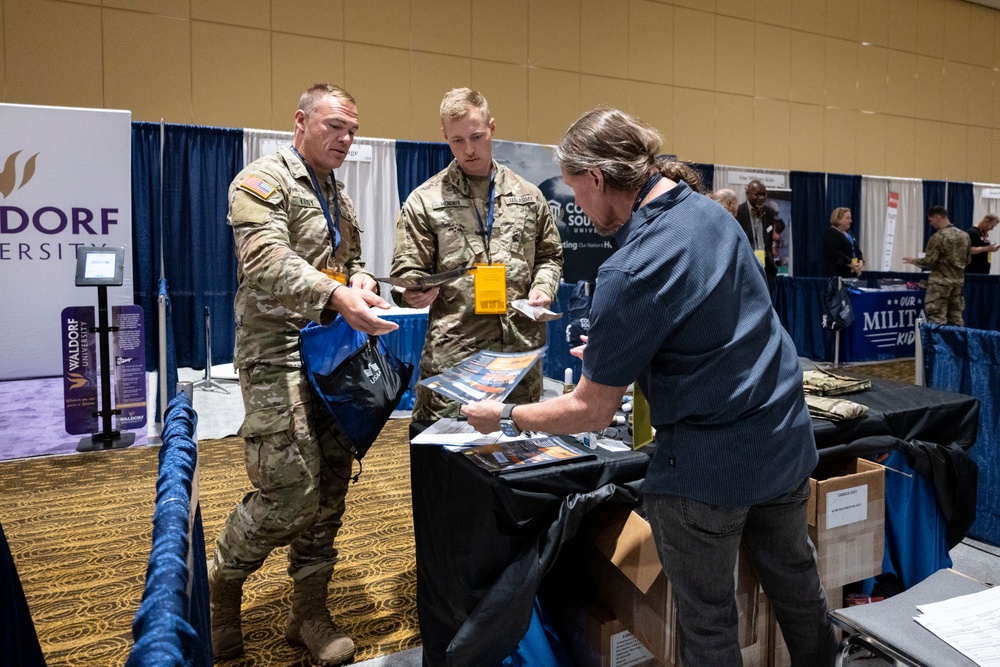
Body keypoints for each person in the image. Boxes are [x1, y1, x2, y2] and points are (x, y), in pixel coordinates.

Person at [462, 108, 837, 666]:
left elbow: (590, 411)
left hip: (706, 470)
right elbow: (720, 322)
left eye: (574, 191)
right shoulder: (711, 215)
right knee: (799, 586)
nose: (578, 210)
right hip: (782, 438)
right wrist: (630, 355)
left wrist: (508, 417)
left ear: (594, 179)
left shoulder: (630, 268)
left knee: (709, 624)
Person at [209, 83, 398, 666]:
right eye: (335, 126)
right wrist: (338, 294)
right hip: (276, 354)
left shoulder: (335, 193)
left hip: (330, 355)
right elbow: (264, 261)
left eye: (352, 131)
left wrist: (360, 281)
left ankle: (308, 613)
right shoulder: (262, 181)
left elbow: (350, 261)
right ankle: (218, 587)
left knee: (332, 483)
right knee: (290, 489)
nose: (346, 139)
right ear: (301, 122)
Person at [390, 87, 563, 421]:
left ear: (492, 128)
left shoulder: (528, 196)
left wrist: (544, 286)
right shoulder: (425, 200)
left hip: (518, 355)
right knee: (452, 459)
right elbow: (406, 271)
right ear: (444, 138)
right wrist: (408, 293)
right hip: (457, 359)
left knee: (514, 455)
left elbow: (549, 255)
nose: (468, 150)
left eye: (476, 136)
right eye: (457, 141)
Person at [903, 205, 971, 326]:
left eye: (931, 220)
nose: (931, 224)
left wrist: (914, 261)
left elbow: (929, 262)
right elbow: (968, 260)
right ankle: (957, 344)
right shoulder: (964, 235)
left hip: (940, 285)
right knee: (956, 318)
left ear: (937, 218)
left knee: (937, 318)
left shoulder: (938, 237)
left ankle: (938, 345)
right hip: (957, 283)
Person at [736, 179, 779, 291]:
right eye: (757, 194)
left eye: (763, 194)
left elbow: (769, 239)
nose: (761, 198)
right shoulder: (739, 212)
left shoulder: (769, 212)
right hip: (746, 266)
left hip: (766, 267)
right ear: (748, 194)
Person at [823, 206, 864, 278]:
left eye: (850, 218)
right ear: (838, 219)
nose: (850, 221)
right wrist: (854, 266)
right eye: (847, 218)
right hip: (838, 275)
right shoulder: (831, 233)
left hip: (852, 273)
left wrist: (860, 262)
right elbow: (837, 254)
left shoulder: (849, 233)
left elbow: (857, 251)